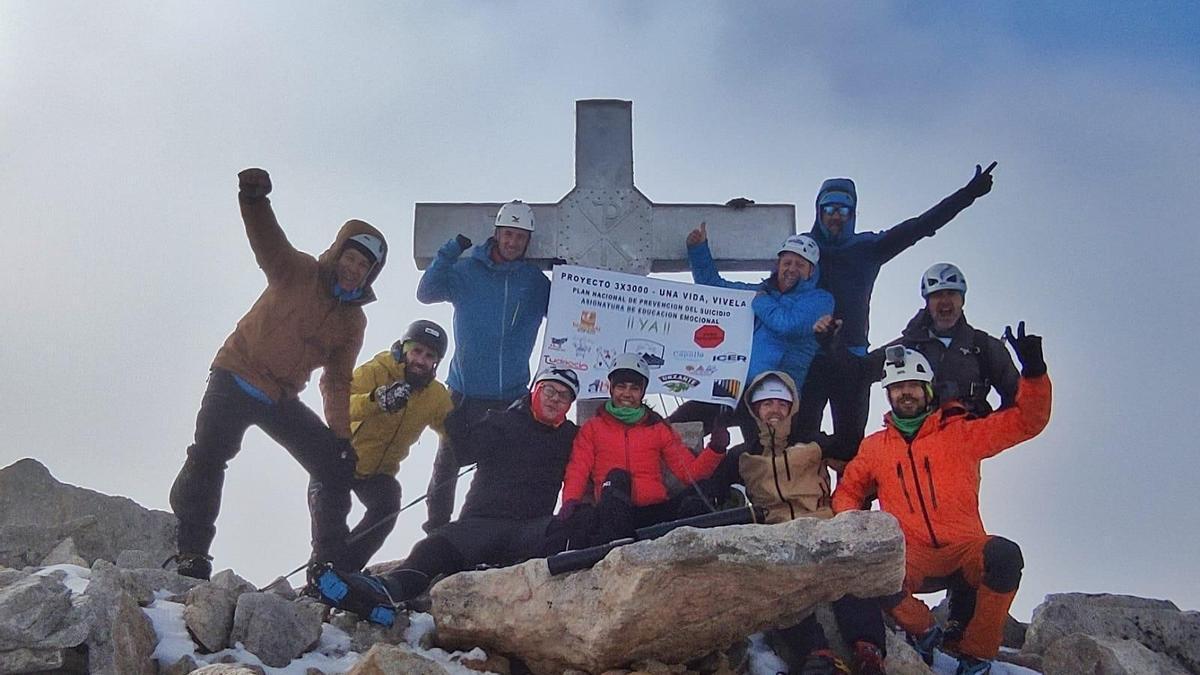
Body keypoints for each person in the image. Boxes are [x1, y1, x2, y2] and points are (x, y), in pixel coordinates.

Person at [167, 168, 387, 580]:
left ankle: (328, 565)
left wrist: (341, 438)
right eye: (351, 258)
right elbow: (267, 243)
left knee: (333, 465)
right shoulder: (298, 271)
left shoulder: (352, 321)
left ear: (370, 274)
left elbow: (337, 381)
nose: (354, 269)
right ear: (338, 254)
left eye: (364, 265)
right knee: (210, 455)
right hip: (234, 374)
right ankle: (191, 552)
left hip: (279, 397)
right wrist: (253, 199)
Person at [832, 324, 1050, 675]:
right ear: (888, 394)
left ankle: (977, 656)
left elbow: (1027, 421)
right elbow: (849, 491)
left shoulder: (960, 432)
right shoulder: (875, 448)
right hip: (911, 555)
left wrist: (1034, 373)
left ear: (927, 390)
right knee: (868, 568)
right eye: (898, 387)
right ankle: (923, 630)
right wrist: (854, 521)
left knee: (1005, 556)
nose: (906, 394)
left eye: (913, 387)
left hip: (963, 550)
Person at [307, 367, 581, 621]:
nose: (555, 399)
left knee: (562, 532)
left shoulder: (571, 436)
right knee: (433, 547)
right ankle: (385, 588)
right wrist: (456, 417)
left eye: (564, 396)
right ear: (536, 390)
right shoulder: (504, 421)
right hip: (481, 523)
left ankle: (496, 572)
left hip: (531, 527)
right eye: (550, 390)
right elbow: (465, 453)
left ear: (569, 406)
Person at [796, 163, 998, 455]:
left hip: (851, 360)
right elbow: (771, 281)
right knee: (800, 441)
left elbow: (920, 226)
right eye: (829, 209)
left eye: (843, 209)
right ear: (818, 211)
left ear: (852, 213)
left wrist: (967, 194)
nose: (835, 217)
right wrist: (739, 215)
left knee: (851, 446)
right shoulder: (802, 249)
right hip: (807, 358)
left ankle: (851, 500)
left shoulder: (868, 248)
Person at [721, 371, 885, 675]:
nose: (774, 409)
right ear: (754, 409)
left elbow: (853, 456)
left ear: (791, 408)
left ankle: (868, 650)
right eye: (766, 403)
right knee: (780, 589)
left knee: (849, 576)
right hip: (777, 535)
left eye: (781, 404)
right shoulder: (741, 455)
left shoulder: (813, 442)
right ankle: (818, 653)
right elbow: (708, 488)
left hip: (822, 526)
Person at [415, 200, 551, 532]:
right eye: (508, 234)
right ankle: (436, 531)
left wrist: (568, 279)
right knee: (447, 465)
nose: (513, 243)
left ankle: (476, 530)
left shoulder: (534, 282)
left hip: (511, 394)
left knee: (499, 469)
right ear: (496, 234)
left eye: (520, 237)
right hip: (464, 391)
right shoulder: (466, 271)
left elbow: (569, 315)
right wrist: (449, 252)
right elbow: (426, 292)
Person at [670, 227, 834, 439]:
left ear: (812, 271)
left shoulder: (820, 299)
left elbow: (787, 325)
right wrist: (698, 248)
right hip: (735, 387)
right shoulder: (763, 292)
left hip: (774, 397)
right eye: (787, 262)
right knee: (675, 427)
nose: (792, 269)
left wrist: (760, 301)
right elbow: (715, 289)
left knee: (759, 459)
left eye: (800, 264)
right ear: (778, 265)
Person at [558, 354, 730, 548]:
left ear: (643, 392)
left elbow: (688, 473)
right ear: (611, 388)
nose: (627, 394)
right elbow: (578, 469)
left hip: (654, 512)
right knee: (616, 476)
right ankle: (616, 546)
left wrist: (716, 448)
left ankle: (694, 548)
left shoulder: (657, 427)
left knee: (704, 489)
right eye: (621, 387)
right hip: (614, 514)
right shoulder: (593, 428)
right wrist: (570, 501)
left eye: (634, 388)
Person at [333, 320, 454, 572]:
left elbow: (452, 430)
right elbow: (339, 405)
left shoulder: (435, 395)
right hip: (340, 459)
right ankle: (324, 567)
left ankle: (345, 570)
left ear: (436, 363)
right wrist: (376, 399)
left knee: (387, 504)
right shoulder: (377, 370)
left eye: (430, 355)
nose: (421, 360)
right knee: (331, 526)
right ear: (403, 349)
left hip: (378, 473)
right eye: (417, 351)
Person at [863, 263, 1019, 418]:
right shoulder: (907, 346)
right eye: (937, 295)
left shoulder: (985, 347)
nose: (945, 301)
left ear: (962, 300)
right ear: (928, 302)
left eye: (951, 293)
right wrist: (840, 343)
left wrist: (989, 429)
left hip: (972, 437)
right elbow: (861, 372)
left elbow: (1018, 400)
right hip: (920, 438)